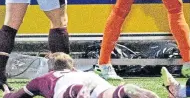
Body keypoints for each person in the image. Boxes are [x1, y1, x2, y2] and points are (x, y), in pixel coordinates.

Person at [2, 52, 159, 98]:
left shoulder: (44, 79)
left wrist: (6, 90)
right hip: (92, 81)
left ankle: (78, 91)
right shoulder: (81, 72)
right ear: (72, 65)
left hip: (71, 87)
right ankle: (124, 90)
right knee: (110, 94)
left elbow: (16, 97)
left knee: (67, 92)